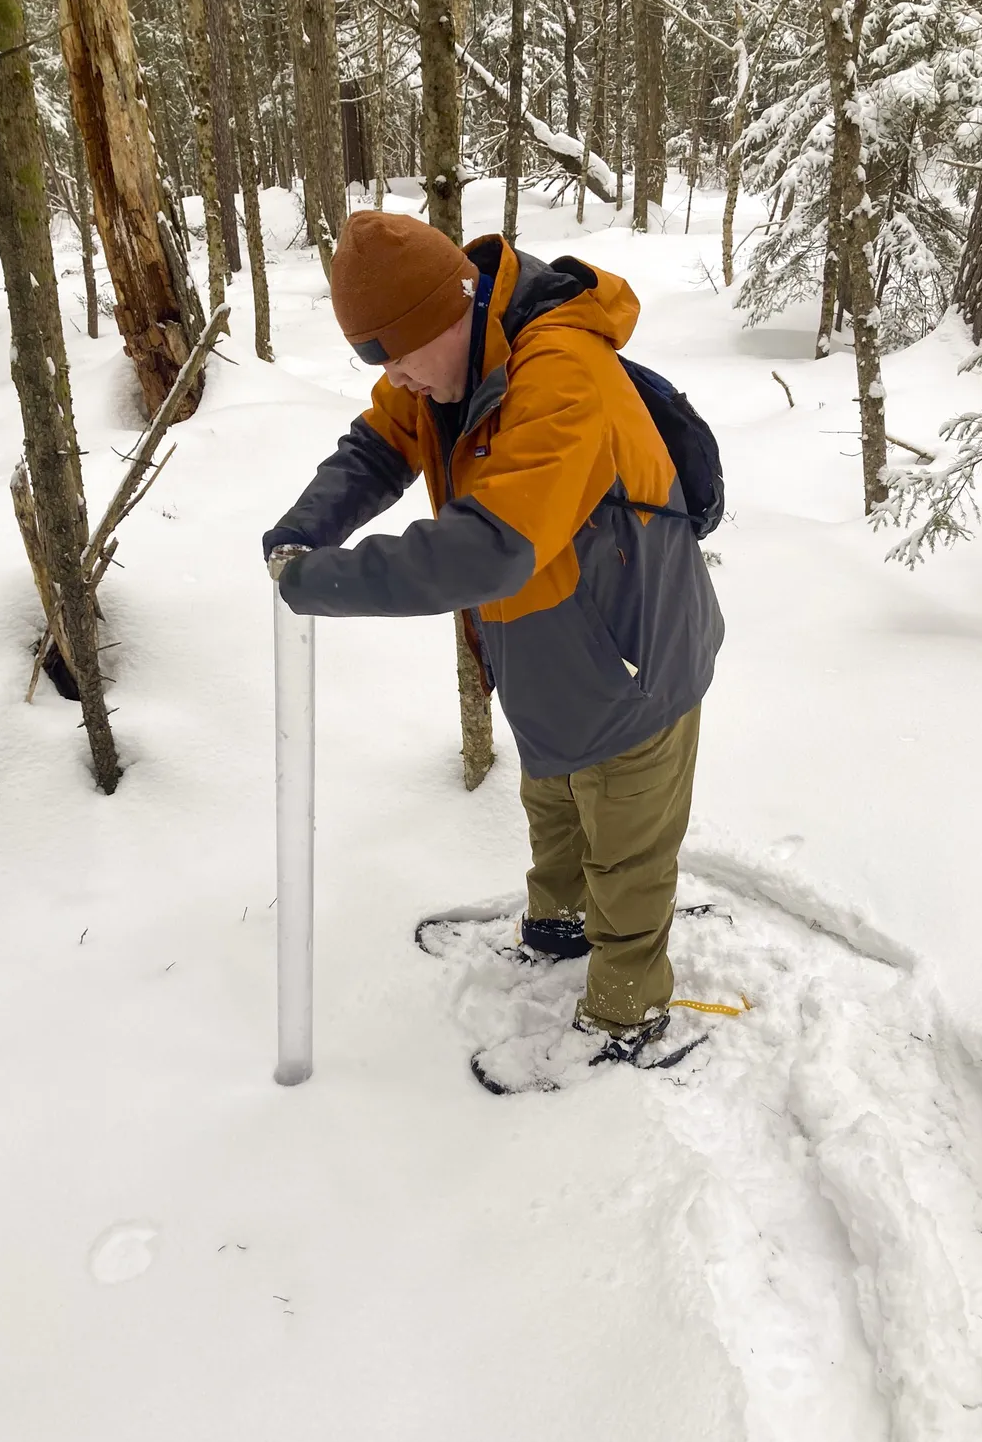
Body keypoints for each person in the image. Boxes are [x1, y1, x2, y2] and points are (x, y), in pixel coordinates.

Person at [264, 210, 724, 1082]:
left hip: (633, 658)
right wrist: (302, 530)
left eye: (397, 355)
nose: (394, 377)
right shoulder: (450, 353)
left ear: (457, 308)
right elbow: (375, 448)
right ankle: (557, 927)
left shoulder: (562, 372)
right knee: (553, 799)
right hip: (548, 653)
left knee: (626, 843)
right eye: (377, 361)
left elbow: (492, 547)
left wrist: (330, 582)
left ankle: (627, 1006)